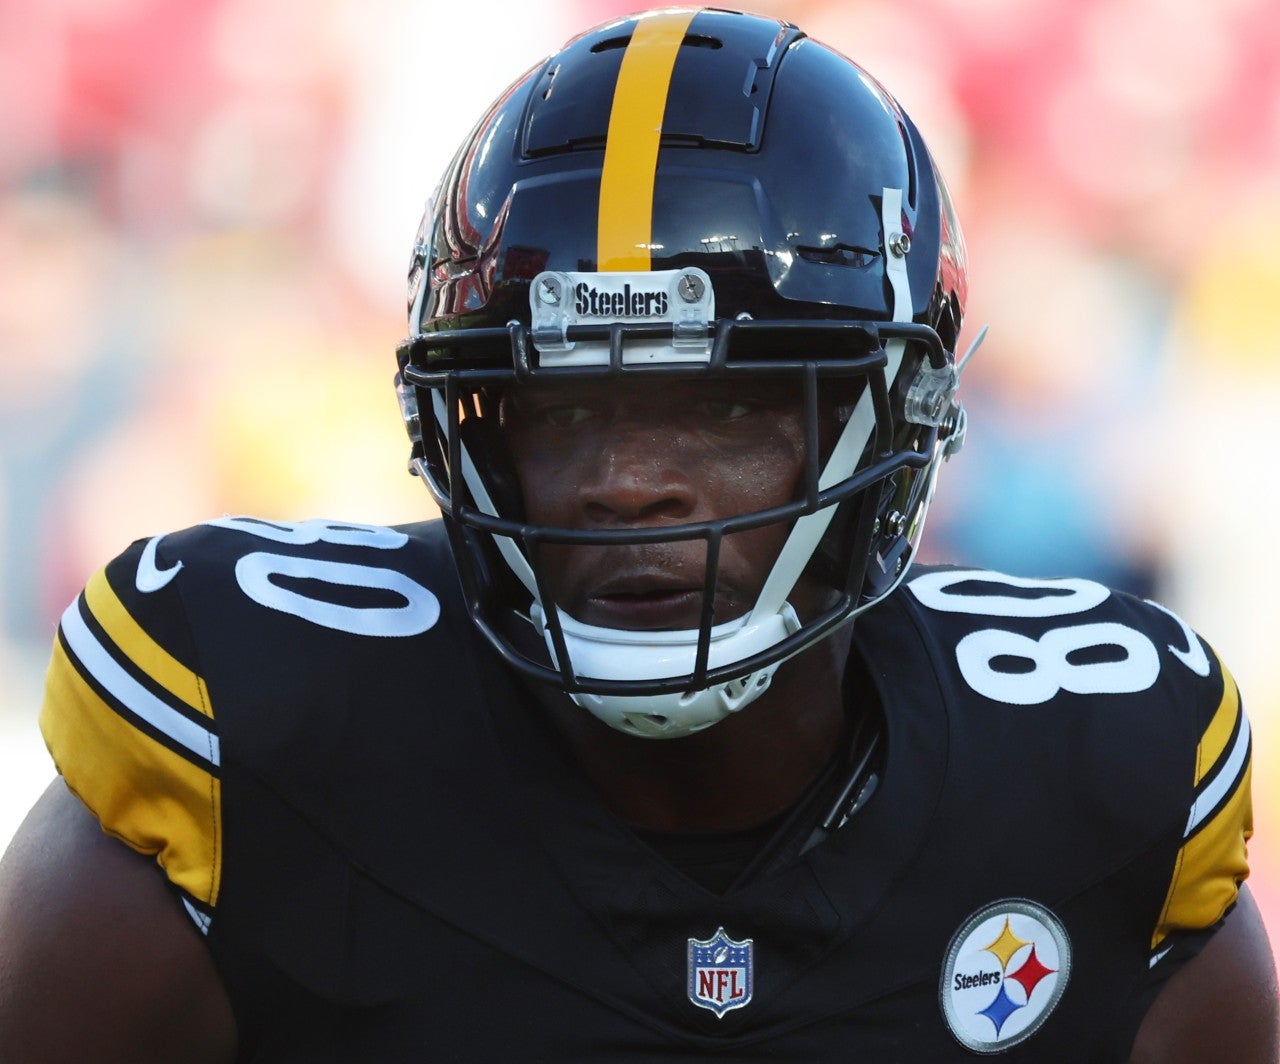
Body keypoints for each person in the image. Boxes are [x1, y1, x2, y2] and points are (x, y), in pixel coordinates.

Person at [0, 8, 1275, 1061]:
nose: (625, 483)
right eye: (564, 407)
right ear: (465, 426)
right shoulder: (258, 732)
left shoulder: (1093, 768)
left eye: (719, 403)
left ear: (907, 417)